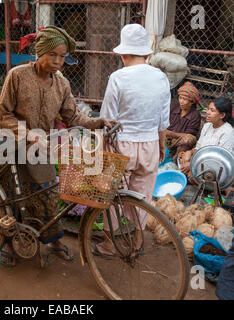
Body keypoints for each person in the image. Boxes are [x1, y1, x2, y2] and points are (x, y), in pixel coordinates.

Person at [0, 25, 115, 267]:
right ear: (40, 52)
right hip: (11, 142)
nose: (58, 61)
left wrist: (99, 122)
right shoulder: (17, 75)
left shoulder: (62, 84)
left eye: (62, 56)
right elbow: (3, 114)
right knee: (11, 197)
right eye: (53, 55)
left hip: (41, 148)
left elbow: (74, 118)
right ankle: (7, 242)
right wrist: (28, 135)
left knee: (48, 194)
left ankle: (52, 239)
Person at [98, 24, 171, 257]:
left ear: (122, 53)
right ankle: (138, 240)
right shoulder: (160, 77)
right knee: (143, 194)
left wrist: (102, 148)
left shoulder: (117, 77)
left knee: (110, 194)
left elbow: (107, 118)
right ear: (147, 53)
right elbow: (163, 120)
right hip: (150, 144)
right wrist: (161, 145)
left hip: (121, 146)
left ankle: (110, 244)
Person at [178, 97, 233, 178]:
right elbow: (199, 148)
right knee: (182, 156)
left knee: (189, 173)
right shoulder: (207, 126)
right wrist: (189, 152)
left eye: (212, 110)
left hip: (216, 167)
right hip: (201, 160)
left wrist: (192, 164)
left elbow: (219, 161)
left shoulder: (228, 132)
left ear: (222, 115)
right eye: (208, 109)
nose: (207, 112)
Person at [165, 81, 203, 158]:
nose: (181, 101)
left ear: (191, 102)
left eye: (185, 99)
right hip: (167, 139)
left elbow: (189, 136)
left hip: (180, 142)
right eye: (180, 98)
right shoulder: (174, 107)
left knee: (189, 139)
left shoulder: (195, 115)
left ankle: (177, 159)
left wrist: (171, 133)